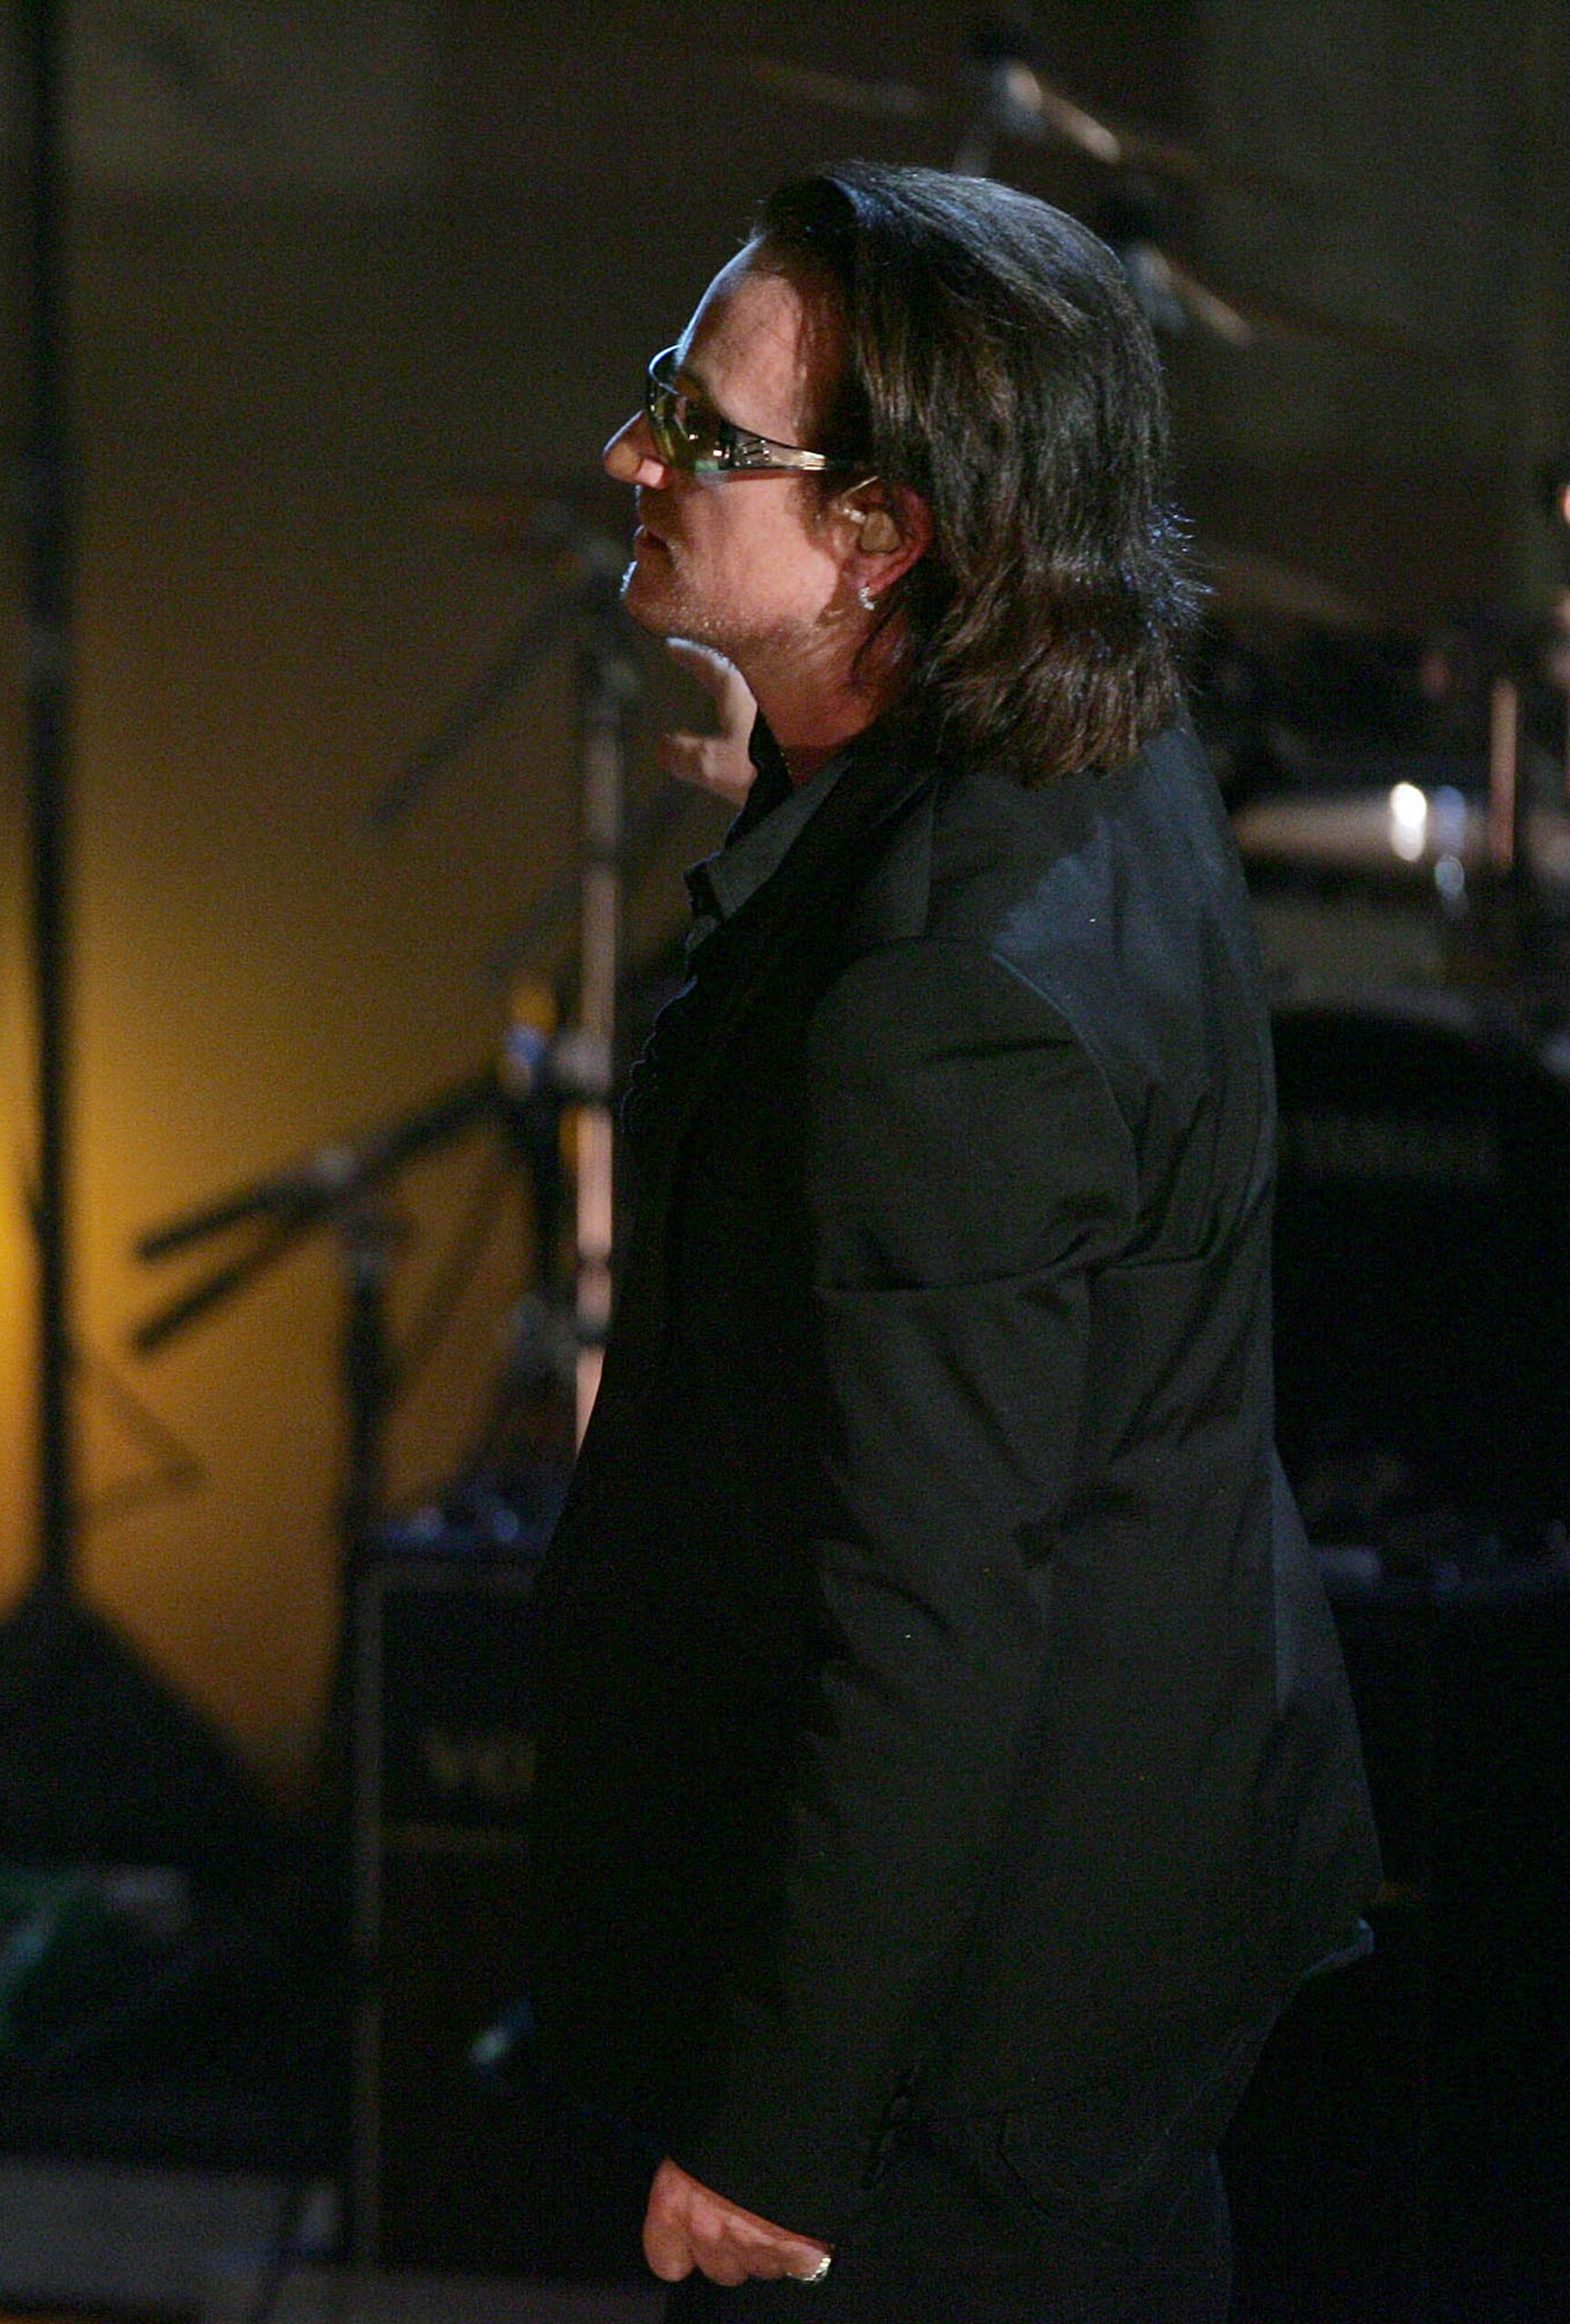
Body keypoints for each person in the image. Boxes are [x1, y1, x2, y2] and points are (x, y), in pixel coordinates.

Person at [525, 164, 1381, 2321]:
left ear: (885, 532)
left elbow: (936, 1616)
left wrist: (778, 2122)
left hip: (965, 2053)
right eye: (658, 393)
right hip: (1106, 1910)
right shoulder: (1084, 730)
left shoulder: (949, 998)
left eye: (706, 436)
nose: (635, 456)